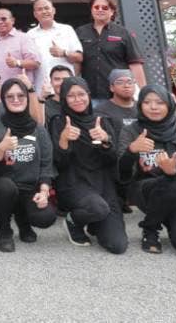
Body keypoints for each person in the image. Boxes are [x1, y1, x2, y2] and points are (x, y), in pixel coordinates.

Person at [117, 86, 176, 257]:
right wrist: (131, 151)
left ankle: (156, 219)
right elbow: (122, 172)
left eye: (160, 102)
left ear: (169, 106)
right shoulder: (132, 130)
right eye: (147, 102)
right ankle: (150, 229)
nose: (153, 107)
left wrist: (171, 171)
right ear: (140, 105)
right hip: (143, 188)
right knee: (173, 186)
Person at [49, 77, 127, 254]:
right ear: (64, 99)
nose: (77, 99)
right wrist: (63, 140)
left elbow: (113, 160)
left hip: (102, 183)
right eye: (71, 96)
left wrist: (106, 140)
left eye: (81, 94)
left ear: (89, 95)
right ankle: (73, 221)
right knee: (97, 208)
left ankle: (95, 222)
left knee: (117, 245)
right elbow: (58, 163)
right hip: (74, 182)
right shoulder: (58, 122)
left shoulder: (103, 122)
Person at [0, 78, 57, 253]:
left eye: (21, 95)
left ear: (27, 98)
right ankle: (4, 229)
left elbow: (46, 165)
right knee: (6, 186)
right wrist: (0, 149)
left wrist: (44, 192)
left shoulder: (38, 129)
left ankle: (24, 221)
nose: (16, 100)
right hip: (0, 187)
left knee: (46, 218)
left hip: (28, 188)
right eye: (10, 96)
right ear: (3, 99)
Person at [74, 0, 145, 103]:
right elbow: (77, 62)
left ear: (112, 11)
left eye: (105, 7)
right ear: (91, 10)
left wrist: (143, 94)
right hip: (89, 95)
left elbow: (135, 64)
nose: (100, 10)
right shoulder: (80, 32)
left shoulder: (123, 33)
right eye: (96, 7)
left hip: (117, 95)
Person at [27, 0, 83, 93]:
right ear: (35, 14)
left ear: (53, 10)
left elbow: (79, 58)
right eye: (40, 9)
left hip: (66, 87)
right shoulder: (29, 35)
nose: (44, 11)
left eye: (47, 8)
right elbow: (29, 62)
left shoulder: (67, 30)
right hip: (42, 88)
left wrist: (64, 52)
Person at [0, 7, 39, 86]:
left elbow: (35, 63)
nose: (0, 22)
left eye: (4, 19)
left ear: (12, 20)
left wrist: (17, 63)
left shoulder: (23, 38)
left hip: (19, 90)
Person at [95, 68, 138, 134]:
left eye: (130, 82)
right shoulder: (101, 111)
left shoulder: (142, 108)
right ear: (111, 87)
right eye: (120, 83)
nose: (126, 86)